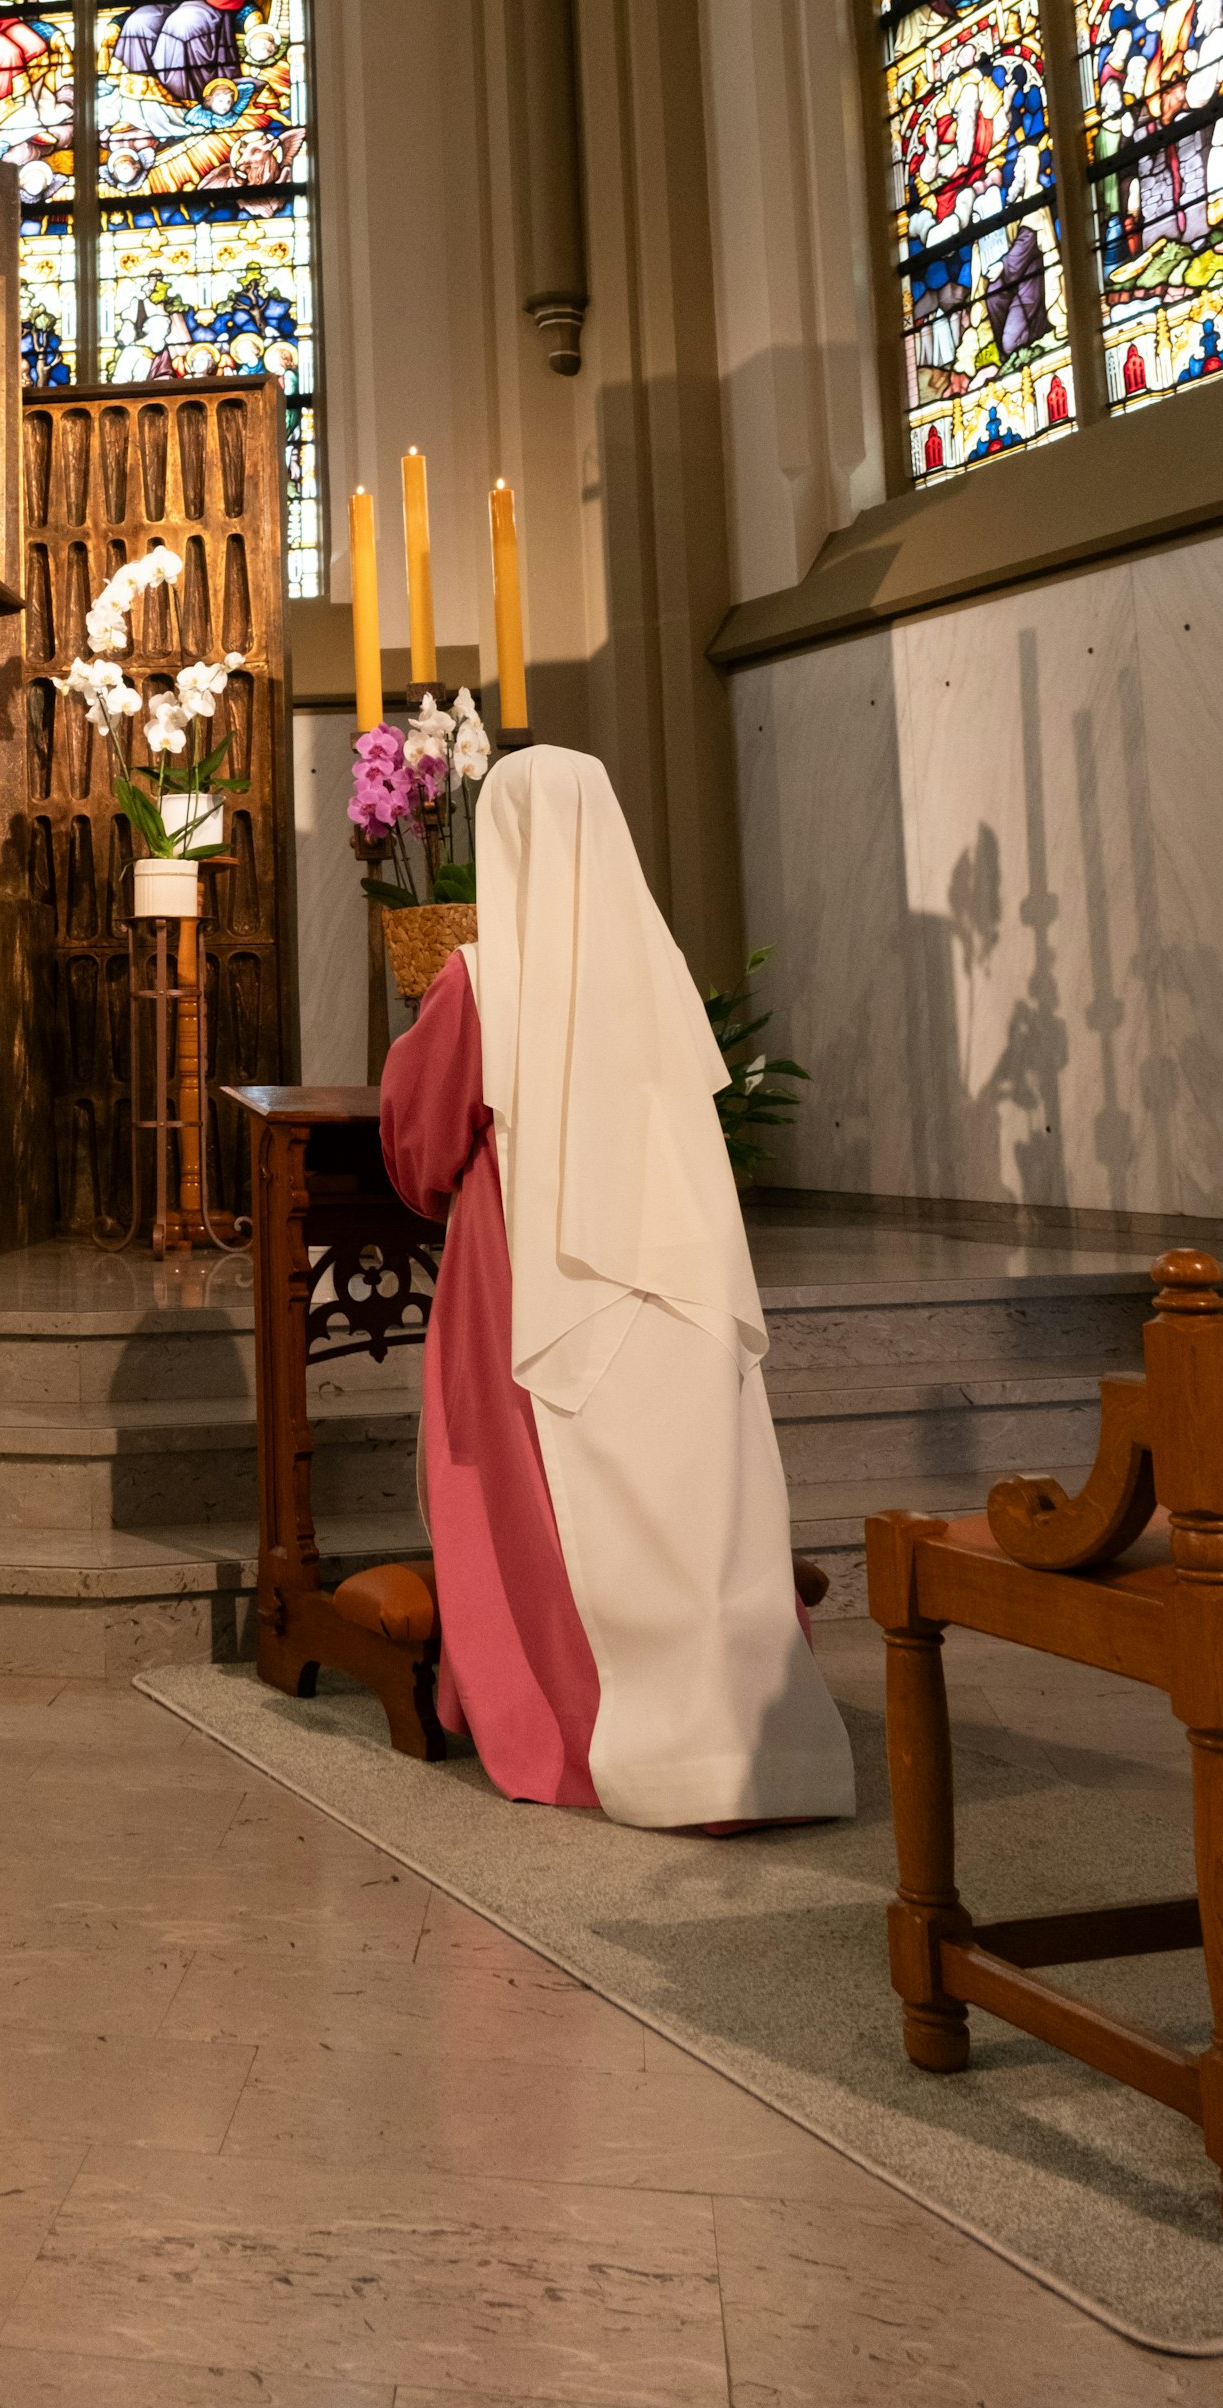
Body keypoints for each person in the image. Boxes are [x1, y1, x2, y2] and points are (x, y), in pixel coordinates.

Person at [378, 743, 854, 1829]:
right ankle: (744, 1738)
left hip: (537, 1275)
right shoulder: (659, 973)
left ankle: (584, 1729)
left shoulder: (479, 983)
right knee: (695, 1496)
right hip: (678, 1276)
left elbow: (417, 1149)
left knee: (535, 1489)